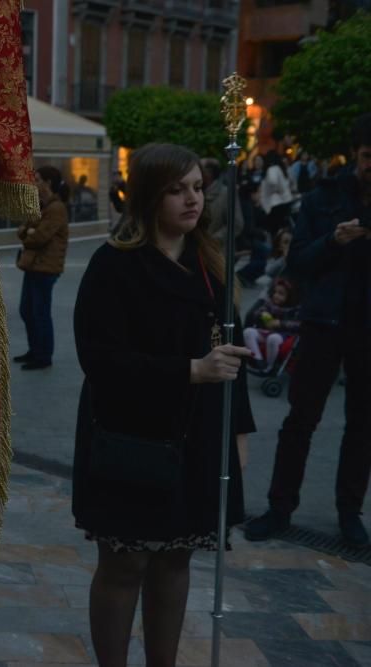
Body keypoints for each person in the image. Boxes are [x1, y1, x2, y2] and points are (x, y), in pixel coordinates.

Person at [72, 143, 255, 667]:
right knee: (125, 563)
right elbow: (100, 360)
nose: (192, 199)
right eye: (177, 189)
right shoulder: (115, 265)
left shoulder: (209, 264)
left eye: (197, 187)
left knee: (176, 559)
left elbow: (231, 354)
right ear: (149, 195)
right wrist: (188, 371)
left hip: (197, 438)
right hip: (131, 439)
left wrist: (238, 435)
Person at [245, 113, 371, 546]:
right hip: (323, 323)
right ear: (356, 154)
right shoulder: (324, 198)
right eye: (369, 156)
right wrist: (333, 241)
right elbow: (296, 261)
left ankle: (349, 512)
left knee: (363, 425)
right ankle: (280, 508)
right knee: (300, 419)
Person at [14, 165, 69, 370]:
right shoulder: (41, 206)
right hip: (32, 266)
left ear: (48, 183)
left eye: (37, 179)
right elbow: (22, 231)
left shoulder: (56, 208)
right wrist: (28, 230)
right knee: (26, 310)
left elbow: (38, 237)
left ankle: (44, 356)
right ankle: (34, 350)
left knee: (40, 313)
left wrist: (29, 231)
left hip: (46, 268)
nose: (34, 183)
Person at [243, 278, 301, 373]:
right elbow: (257, 312)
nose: (276, 296)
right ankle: (259, 360)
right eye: (275, 292)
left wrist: (280, 323)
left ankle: (270, 366)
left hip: (283, 335)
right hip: (266, 331)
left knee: (273, 338)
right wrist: (262, 314)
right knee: (248, 332)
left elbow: (298, 324)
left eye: (280, 294)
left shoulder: (294, 309)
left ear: (289, 296)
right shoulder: (270, 303)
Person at [201, 157, 244, 242]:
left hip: (217, 251)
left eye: (200, 169)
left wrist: (213, 240)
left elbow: (236, 225)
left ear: (209, 173)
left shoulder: (226, 193)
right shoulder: (197, 193)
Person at [259, 149, 296, 235]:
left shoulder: (272, 169)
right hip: (285, 201)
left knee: (275, 231)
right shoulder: (281, 169)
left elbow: (273, 182)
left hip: (275, 204)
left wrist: (273, 190)